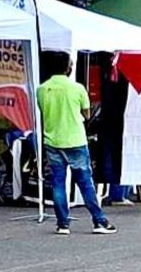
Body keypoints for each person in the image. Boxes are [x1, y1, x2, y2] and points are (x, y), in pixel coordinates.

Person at [36, 52, 117, 235]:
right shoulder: (77, 88)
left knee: (58, 182)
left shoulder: (42, 89)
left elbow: (43, 111)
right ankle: (99, 221)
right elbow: (87, 114)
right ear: (67, 67)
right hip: (75, 140)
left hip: (52, 140)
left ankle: (62, 224)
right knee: (85, 182)